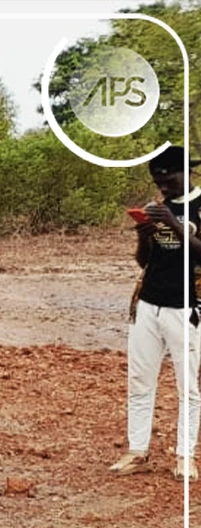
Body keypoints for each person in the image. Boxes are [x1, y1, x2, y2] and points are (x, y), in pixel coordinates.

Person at [111, 144, 200, 479]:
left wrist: (175, 225)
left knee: (187, 386)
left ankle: (185, 455)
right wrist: (143, 237)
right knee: (139, 379)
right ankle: (137, 450)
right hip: (148, 303)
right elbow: (145, 262)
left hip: (188, 306)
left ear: (187, 172)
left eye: (168, 177)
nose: (163, 185)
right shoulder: (157, 208)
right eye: (157, 179)